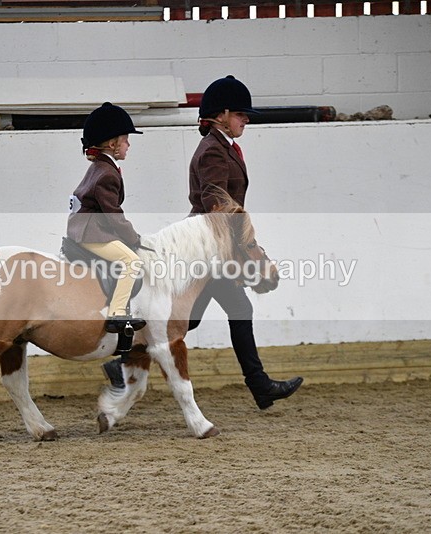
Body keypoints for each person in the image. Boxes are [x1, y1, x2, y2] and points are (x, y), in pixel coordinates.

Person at [103, 76, 302, 410]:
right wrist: (240, 250)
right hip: (209, 248)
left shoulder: (221, 146)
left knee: (192, 318)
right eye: (241, 114)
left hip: (213, 247)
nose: (246, 119)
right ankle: (260, 386)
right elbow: (217, 206)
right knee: (222, 312)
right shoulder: (213, 151)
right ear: (221, 114)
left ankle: (121, 360)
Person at [67, 102, 146, 334]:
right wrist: (134, 237)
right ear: (112, 144)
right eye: (125, 140)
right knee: (132, 262)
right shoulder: (106, 174)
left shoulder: (101, 167)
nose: (128, 145)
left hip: (86, 228)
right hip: (90, 233)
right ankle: (118, 314)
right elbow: (113, 215)